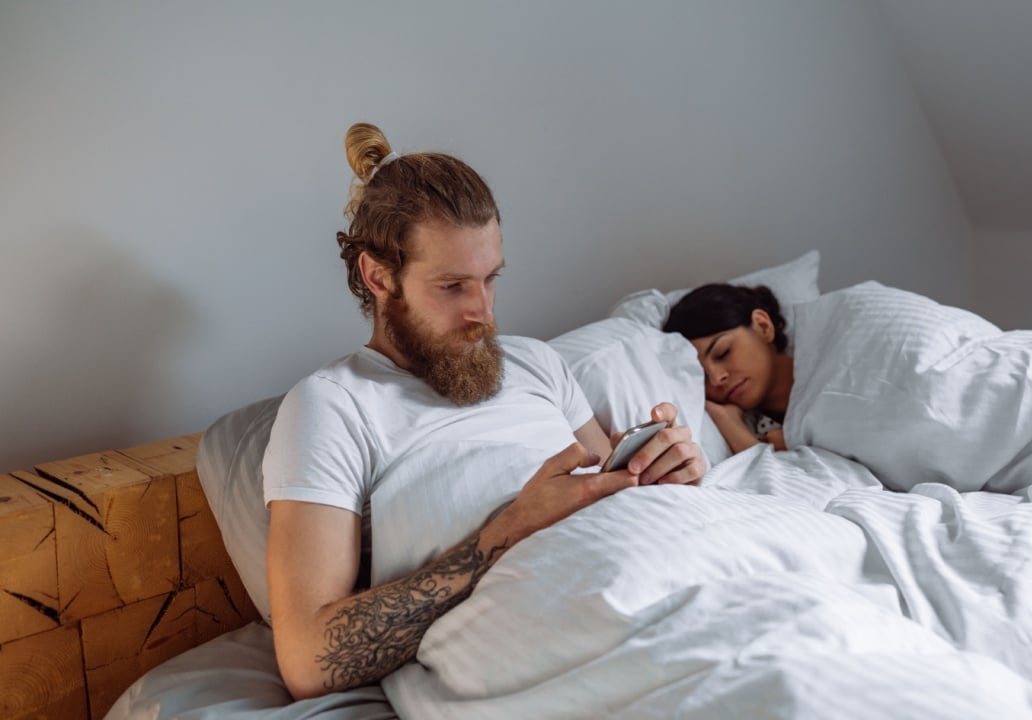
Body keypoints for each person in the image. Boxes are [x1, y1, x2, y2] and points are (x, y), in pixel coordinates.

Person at [262, 123, 705, 701]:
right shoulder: (332, 405)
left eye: (490, 279)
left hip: (676, 572)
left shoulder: (535, 361)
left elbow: (604, 487)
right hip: (560, 628)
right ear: (379, 277)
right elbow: (308, 661)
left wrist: (663, 468)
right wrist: (509, 529)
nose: (484, 312)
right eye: (452, 286)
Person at [662, 283, 794, 455]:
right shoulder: (759, 429)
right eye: (702, 376)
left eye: (723, 353)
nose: (716, 379)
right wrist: (726, 421)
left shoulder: (827, 369)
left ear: (763, 326)